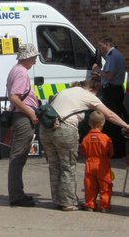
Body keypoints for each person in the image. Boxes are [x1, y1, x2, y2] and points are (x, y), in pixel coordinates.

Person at [39, 80, 129, 211]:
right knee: (68, 165)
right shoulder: (87, 95)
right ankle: (68, 203)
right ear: (92, 90)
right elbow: (109, 114)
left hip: (45, 129)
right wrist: (126, 125)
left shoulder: (64, 91)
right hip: (64, 129)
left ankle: (58, 200)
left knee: (54, 166)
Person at [7, 43, 40, 207]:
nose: (34, 62)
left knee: (19, 157)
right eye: (34, 58)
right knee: (18, 157)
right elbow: (14, 97)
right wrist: (31, 113)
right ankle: (16, 195)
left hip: (20, 116)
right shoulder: (21, 72)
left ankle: (18, 192)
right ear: (27, 57)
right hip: (23, 117)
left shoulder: (16, 69)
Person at [92, 37, 127, 158]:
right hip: (115, 90)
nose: (99, 49)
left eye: (100, 46)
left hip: (112, 90)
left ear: (106, 44)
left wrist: (98, 71)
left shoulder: (112, 55)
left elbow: (110, 76)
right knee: (115, 120)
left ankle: (115, 151)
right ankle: (118, 150)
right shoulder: (116, 54)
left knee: (111, 121)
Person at [80, 111, 114, 213]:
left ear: (90, 123)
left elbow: (83, 152)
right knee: (105, 186)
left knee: (90, 185)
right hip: (102, 163)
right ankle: (104, 206)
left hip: (89, 163)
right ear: (102, 124)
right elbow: (111, 152)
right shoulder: (105, 138)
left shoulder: (85, 138)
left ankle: (90, 205)